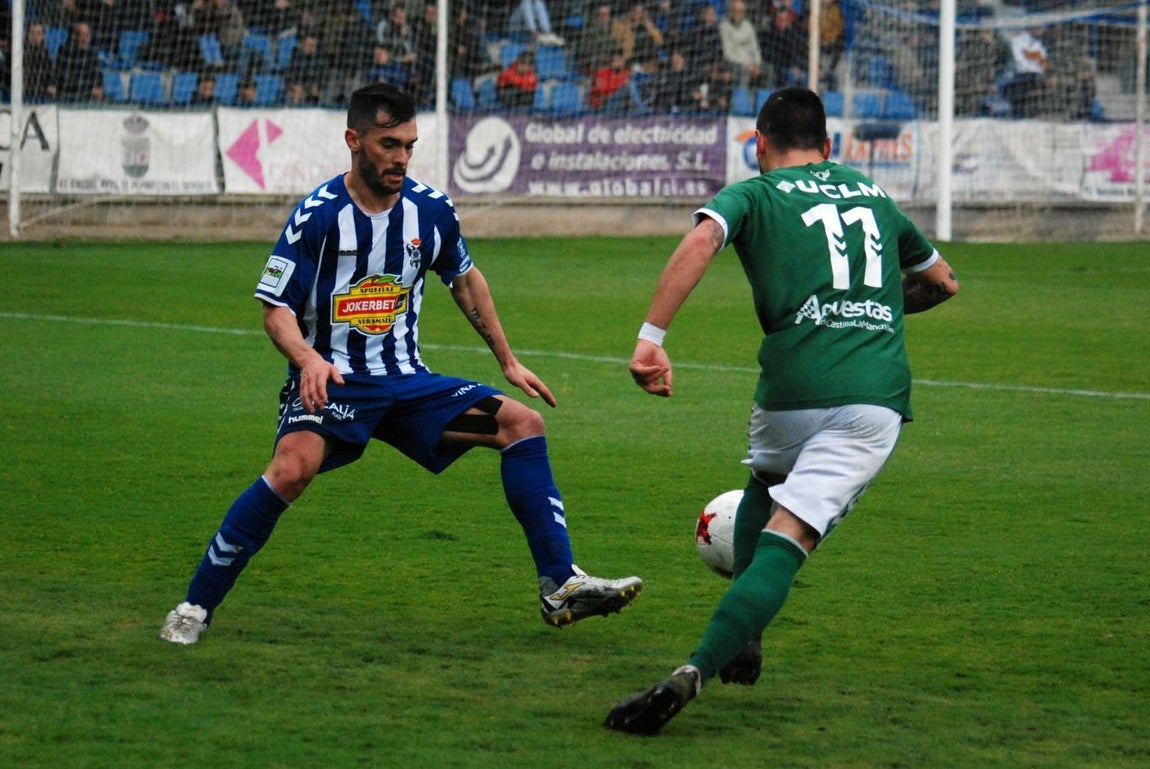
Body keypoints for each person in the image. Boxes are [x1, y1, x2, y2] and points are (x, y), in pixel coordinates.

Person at [160, 83, 643, 646]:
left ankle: (560, 583)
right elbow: (274, 310)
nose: (401, 158)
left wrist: (507, 360)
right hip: (336, 381)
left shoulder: (431, 210)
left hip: (408, 383)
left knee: (522, 423)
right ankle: (194, 606)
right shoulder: (318, 216)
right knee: (291, 471)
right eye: (389, 144)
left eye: (410, 145)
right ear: (354, 140)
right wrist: (308, 358)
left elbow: (465, 279)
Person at [604, 86, 959, 735]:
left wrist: (650, 341)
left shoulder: (754, 193)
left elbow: (702, 241)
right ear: (828, 147)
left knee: (765, 482)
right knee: (789, 535)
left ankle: (745, 635)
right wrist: (874, 306)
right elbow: (943, 281)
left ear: (759, 144)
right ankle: (694, 670)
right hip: (871, 396)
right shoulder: (874, 195)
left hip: (789, 390)